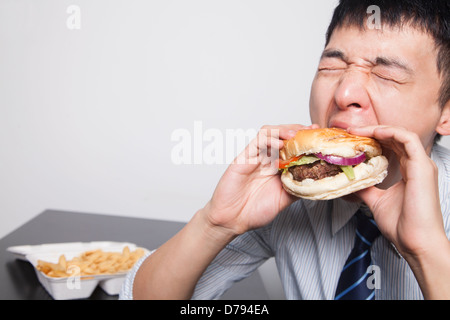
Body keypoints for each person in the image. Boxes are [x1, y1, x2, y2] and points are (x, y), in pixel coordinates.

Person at [121, 0, 450, 300]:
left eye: (385, 73)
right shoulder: (285, 195)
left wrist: (427, 253)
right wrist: (215, 225)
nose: (344, 92)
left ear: (446, 112)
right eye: (331, 67)